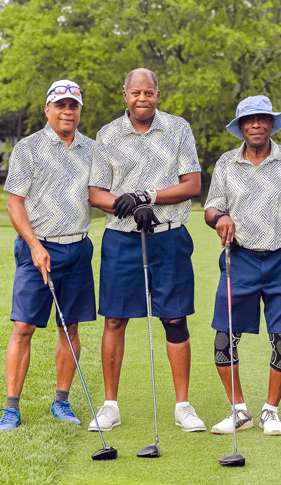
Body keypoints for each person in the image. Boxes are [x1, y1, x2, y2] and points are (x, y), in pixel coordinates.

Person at [88, 68, 206, 433]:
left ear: (158, 94)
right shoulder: (107, 134)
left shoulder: (178, 128)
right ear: (125, 95)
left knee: (174, 319)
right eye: (136, 92)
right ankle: (110, 406)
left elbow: (192, 184)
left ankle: (183, 406)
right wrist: (124, 204)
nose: (143, 99)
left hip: (168, 236)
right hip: (122, 238)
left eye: (149, 92)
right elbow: (96, 192)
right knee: (114, 319)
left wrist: (146, 197)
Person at [204, 95, 281, 436]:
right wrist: (220, 218)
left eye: (262, 119)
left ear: (271, 124)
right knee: (225, 337)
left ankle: (271, 410)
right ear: (240, 127)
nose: (256, 125)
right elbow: (211, 208)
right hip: (239, 257)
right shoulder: (226, 163)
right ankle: (239, 410)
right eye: (249, 120)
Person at [0, 80, 96, 431]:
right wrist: (36, 246)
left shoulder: (92, 149)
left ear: (79, 110)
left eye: (73, 105)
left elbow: (101, 194)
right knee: (23, 327)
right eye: (61, 105)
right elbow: (14, 203)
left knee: (70, 328)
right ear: (47, 109)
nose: (67, 111)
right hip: (38, 248)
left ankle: (62, 402)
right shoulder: (29, 148)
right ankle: (11, 408)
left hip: (79, 247)